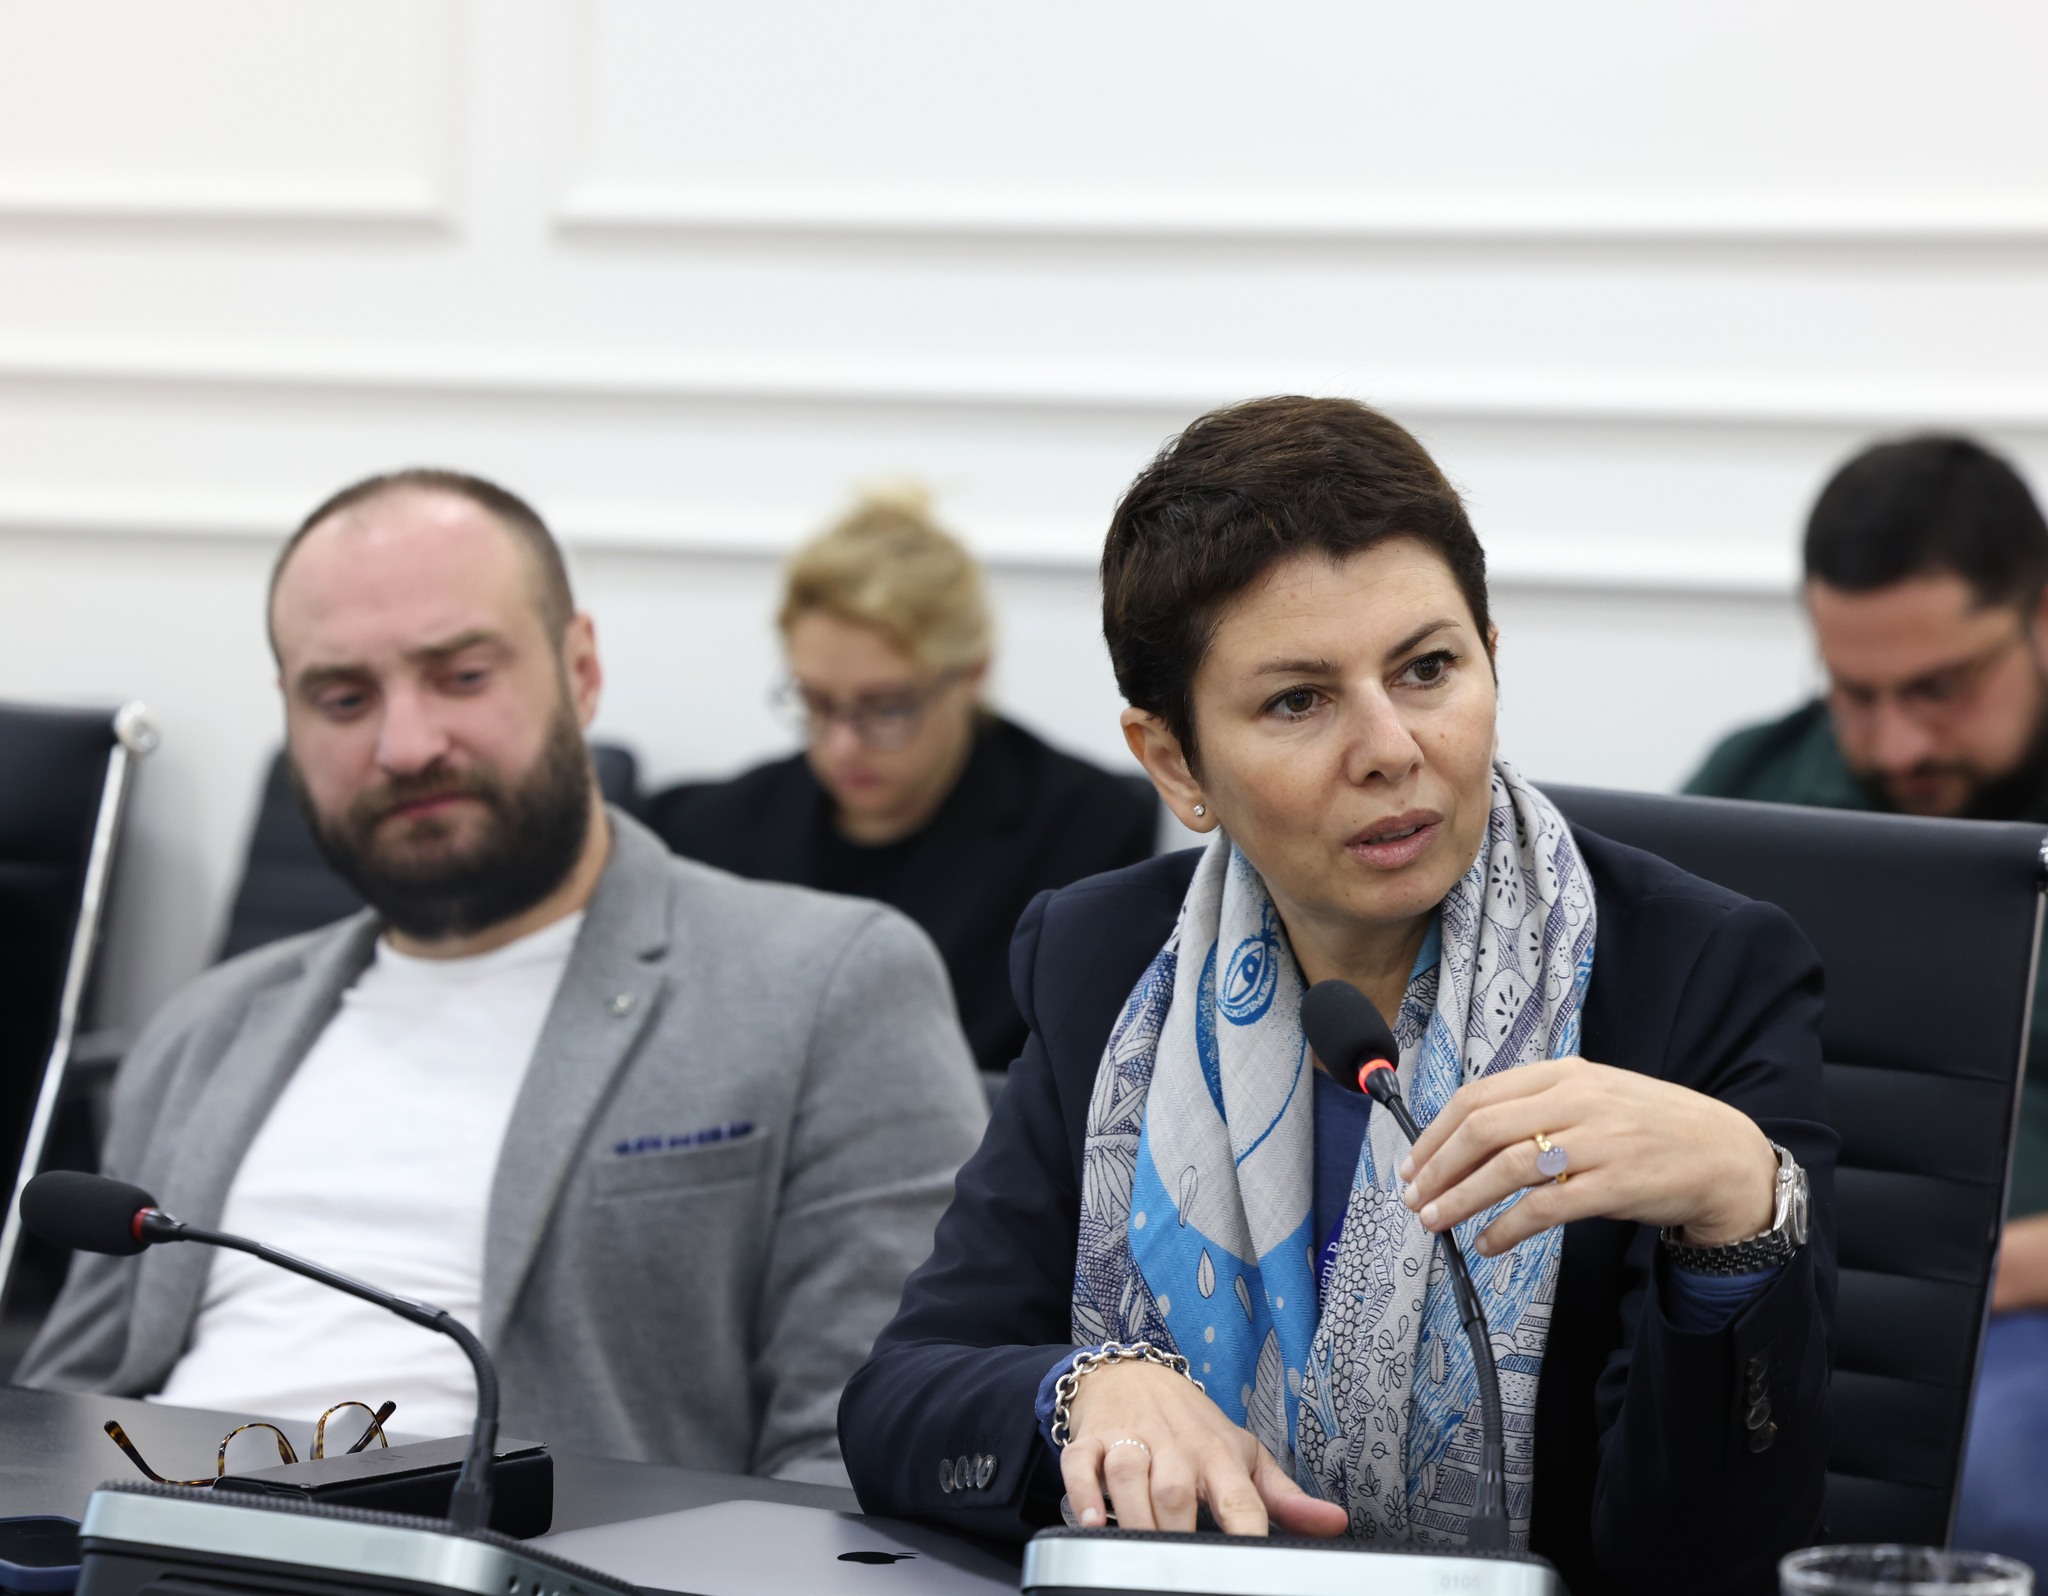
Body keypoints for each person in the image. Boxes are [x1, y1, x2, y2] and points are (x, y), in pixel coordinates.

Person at [839, 397, 1836, 1596]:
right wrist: (1083, 1389)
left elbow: (1708, 1565)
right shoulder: (1102, 960)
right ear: (1173, 762)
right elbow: (900, 1402)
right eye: (1296, 700)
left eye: (1426, 670)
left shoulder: (1696, 977)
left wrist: (1738, 1215)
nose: (1389, 748)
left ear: (1489, 658)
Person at [17, 468, 986, 1485]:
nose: (405, 746)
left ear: (581, 670)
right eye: (343, 698)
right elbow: (54, 1414)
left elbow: (867, 1452)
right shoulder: (204, 1029)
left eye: (462, 676)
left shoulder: (823, 986)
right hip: (140, 1534)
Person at [1685, 434, 2048, 1569]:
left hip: (2016, 1312)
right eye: (1855, 693)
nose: (1896, 741)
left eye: (1940, 688)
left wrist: (1985, 1275)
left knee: (1996, 1490)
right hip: (1771, 1281)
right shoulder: (1754, 787)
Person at [649, 489, 1158, 1079]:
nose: (842, 745)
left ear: (972, 673)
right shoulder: (706, 829)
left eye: (887, 707)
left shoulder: (1084, 825)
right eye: (816, 702)